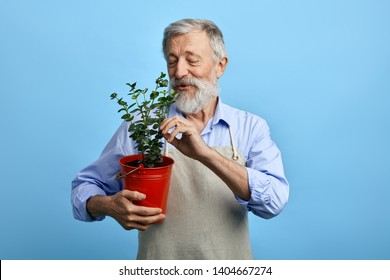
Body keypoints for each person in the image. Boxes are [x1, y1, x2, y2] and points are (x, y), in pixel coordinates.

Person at [71, 18, 289, 260]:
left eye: (192, 60)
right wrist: (107, 205)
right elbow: (83, 188)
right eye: (172, 61)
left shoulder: (249, 127)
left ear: (220, 66)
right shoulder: (144, 125)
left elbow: (274, 203)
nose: (179, 72)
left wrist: (205, 154)